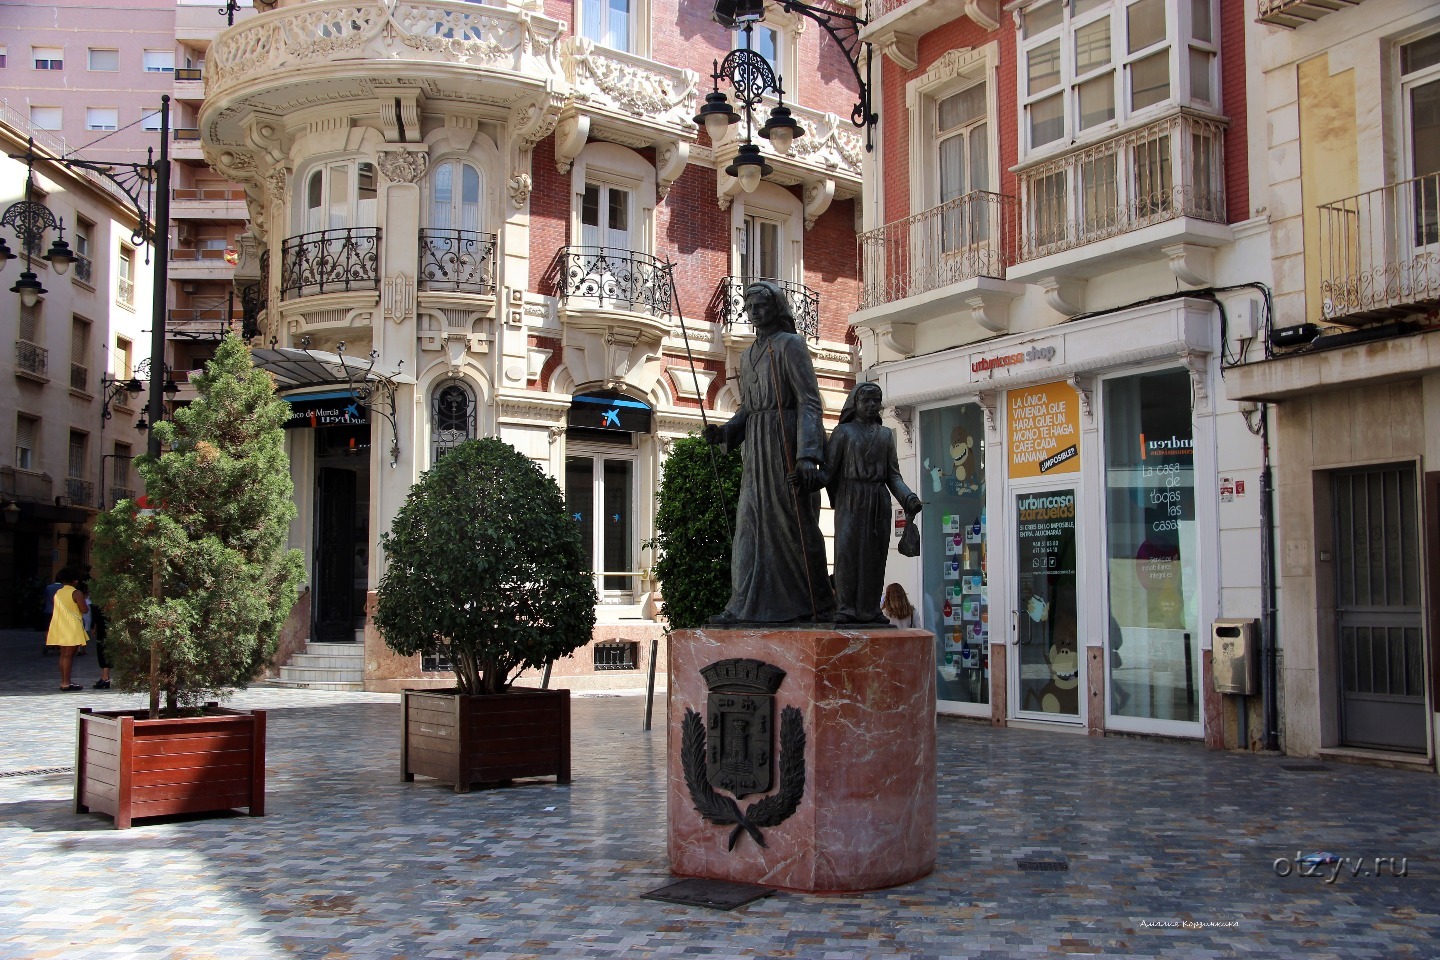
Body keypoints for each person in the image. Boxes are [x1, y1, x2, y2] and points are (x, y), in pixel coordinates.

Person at [704, 280, 834, 623]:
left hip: (785, 442)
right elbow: (748, 407)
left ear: (775, 308)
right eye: (749, 307)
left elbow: (809, 401)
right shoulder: (747, 355)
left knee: (792, 524)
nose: (754, 312)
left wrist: (807, 455)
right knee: (749, 523)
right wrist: (726, 432)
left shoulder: (791, 345)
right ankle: (743, 603)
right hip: (756, 448)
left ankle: (814, 603)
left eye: (760, 306)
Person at [825, 382, 923, 623]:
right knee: (847, 552)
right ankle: (846, 607)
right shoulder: (843, 433)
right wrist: (806, 476)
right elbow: (828, 472)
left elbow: (893, 476)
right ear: (855, 403)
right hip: (850, 498)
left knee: (875, 556)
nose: (872, 405)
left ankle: (870, 609)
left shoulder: (886, 435)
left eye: (876, 401)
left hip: (878, 500)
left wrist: (908, 498)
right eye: (866, 400)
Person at [45, 569, 89, 691]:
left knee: (63, 655)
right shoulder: (76, 593)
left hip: (60, 625)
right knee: (69, 656)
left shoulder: (58, 593)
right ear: (75, 580)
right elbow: (84, 610)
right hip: (72, 627)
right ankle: (66, 682)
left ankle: (64, 681)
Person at [88, 584, 112, 689]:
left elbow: (95, 616)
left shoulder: (98, 602)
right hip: (108, 627)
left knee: (104, 651)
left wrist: (93, 627)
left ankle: (105, 677)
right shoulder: (112, 600)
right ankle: (105, 676)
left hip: (104, 628)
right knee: (105, 651)